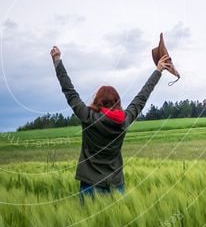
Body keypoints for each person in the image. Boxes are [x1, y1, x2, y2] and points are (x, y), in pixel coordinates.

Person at [50, 45, 173, 203]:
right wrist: (158, 71)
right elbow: (142, 97)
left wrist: (57, 61)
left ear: (98, 101)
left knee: (89, 225)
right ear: (117, 102)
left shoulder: (87, 116)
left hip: (89, 184)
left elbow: (69, 91)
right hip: (115, 185)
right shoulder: (124, 120)